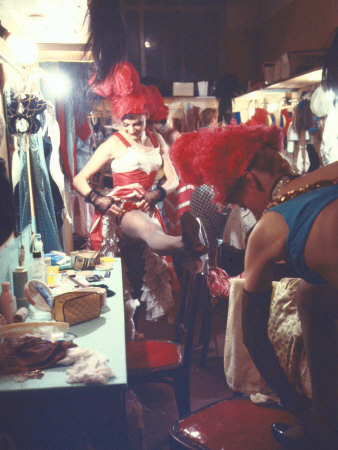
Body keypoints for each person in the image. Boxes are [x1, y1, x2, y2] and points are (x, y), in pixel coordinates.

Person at [170, 124, 338, 448]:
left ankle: (318, 422)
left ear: (250, 180)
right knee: (311, 296)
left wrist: (294, 403)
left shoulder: (267, 227)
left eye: (241, 203)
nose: (248, 212)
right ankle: (325, 419)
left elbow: (254, 338)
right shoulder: (323, 175)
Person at [73, 62, 207, 323]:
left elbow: (174, 179)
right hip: (120, 208)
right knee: (149, 229)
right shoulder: (113, 142)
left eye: (139, 123)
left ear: (147, 116)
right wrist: (97, 199)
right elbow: (79, 179)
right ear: (120, 119)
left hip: (148, 203)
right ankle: (186, 243)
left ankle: (187, 248)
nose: (133, 129)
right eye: (127, 123)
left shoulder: (157, 140)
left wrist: (157, 193)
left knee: (152, 236)